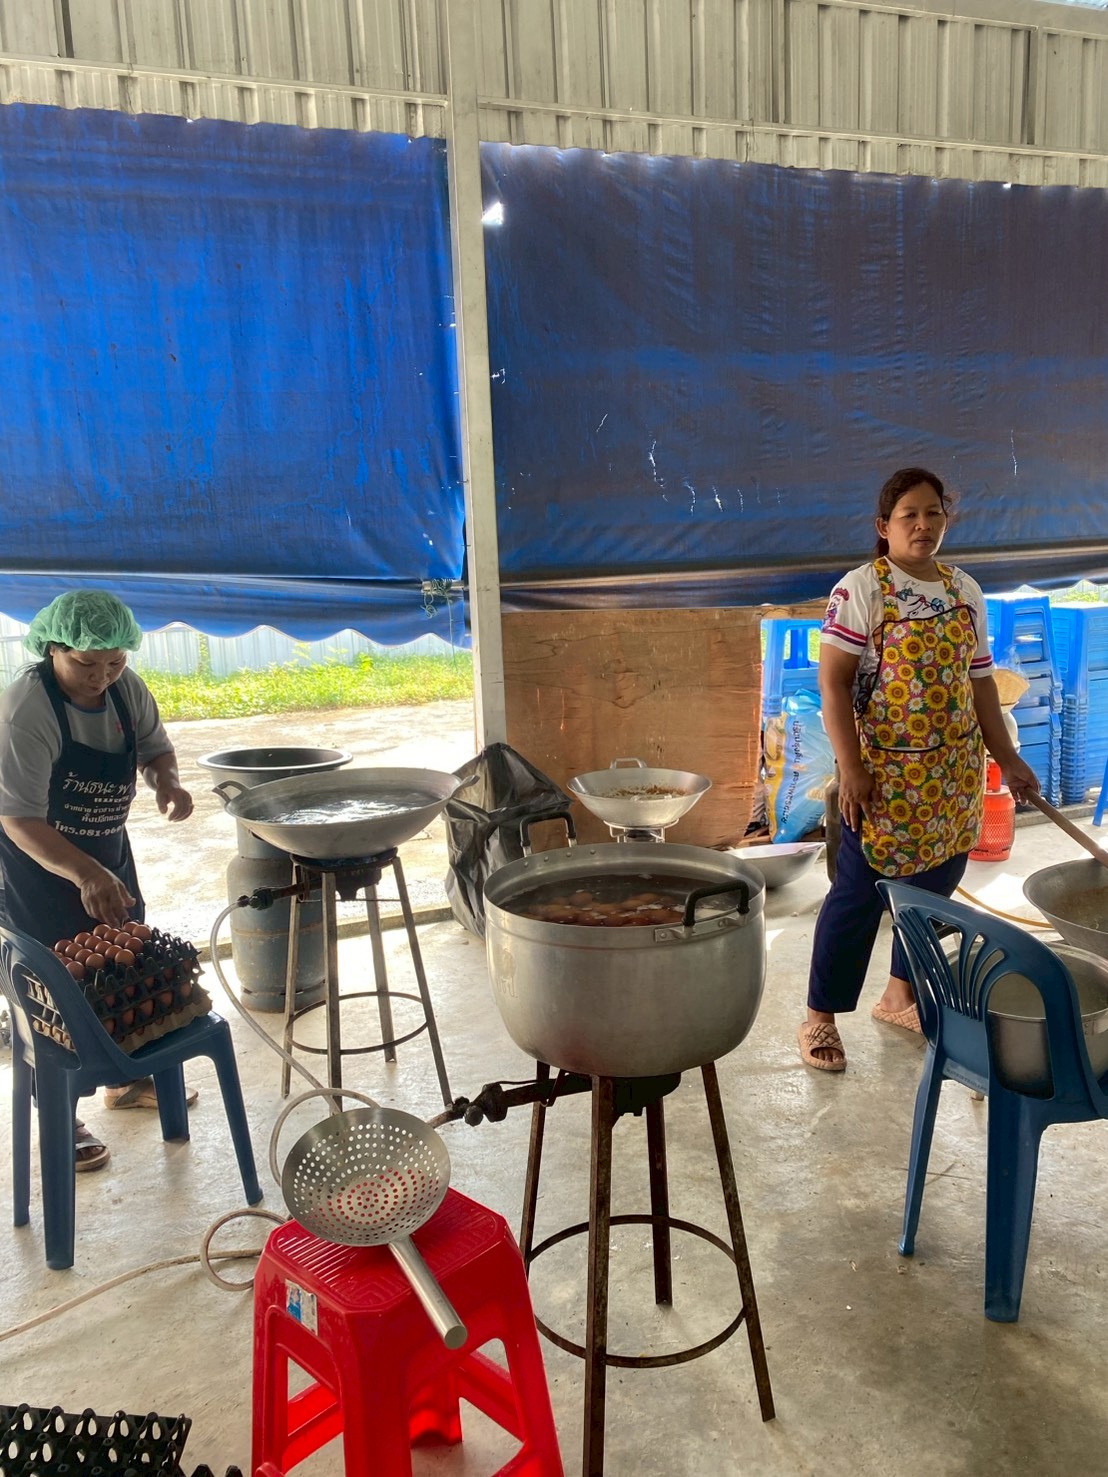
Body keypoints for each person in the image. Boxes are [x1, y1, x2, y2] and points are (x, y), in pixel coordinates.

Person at [797, 468, 1040, 1072]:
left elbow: (980, 683)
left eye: (934, 513)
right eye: (909, 515)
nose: (923, 525)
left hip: (953, 775)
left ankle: (898, 995)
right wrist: (851, 767)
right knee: (858, 896)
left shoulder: (964, 590)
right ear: (884, 526)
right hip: (883, 779)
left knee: (934, 888)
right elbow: (833, 683)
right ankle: (820, 1016)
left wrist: (1007, 757)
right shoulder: (862, 590)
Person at [0, 590, 196, 1167]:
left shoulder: (125, 691)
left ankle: (126, 1079)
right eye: (86, 663)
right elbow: (17, 817)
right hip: (33, 865)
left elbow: (156, 750)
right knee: (48, 993)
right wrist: (85, 873)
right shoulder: (26, 710)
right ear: (53, 649)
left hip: (106, 852)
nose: (101, 676)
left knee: (121, 970)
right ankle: (60, 1114)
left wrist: (166, 782)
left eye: (115, 661)